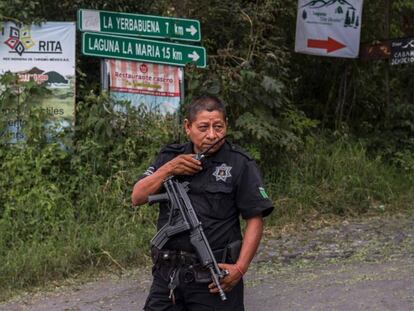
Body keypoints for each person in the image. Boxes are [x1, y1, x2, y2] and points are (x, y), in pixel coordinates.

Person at [131, 95, 274, 311]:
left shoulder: (239, 163)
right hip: (167, 278)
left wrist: (240, 268)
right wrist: (169, 169)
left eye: (218, 127)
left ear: (226, 125)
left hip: (213, 278)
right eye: (204, 127)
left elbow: (255, 218)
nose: (212, 135)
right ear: (187, 127)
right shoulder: (170, 157)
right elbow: (137, 197)